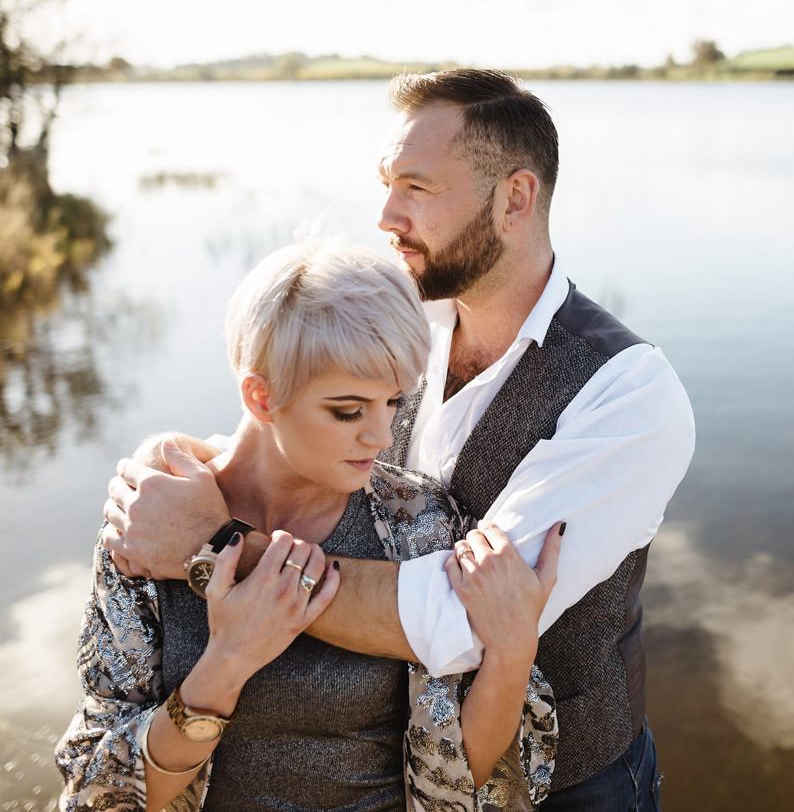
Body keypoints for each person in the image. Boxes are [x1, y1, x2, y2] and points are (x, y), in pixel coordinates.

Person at [104, 69, 695, 811]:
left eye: (416, 187)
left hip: (577, 785)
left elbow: (460, 622)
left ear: (515, 198)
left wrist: (211, 538)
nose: (385, 215)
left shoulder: (629, 393)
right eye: (386, 184)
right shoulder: (407, 326)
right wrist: (175, 462)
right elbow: (295, 422)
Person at [57, 238, 561, 811]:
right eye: (348, 410)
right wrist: (226, 665)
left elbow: (465, 781)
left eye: (393, 403)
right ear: (261, 395)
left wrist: (513, 652)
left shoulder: (416, 523)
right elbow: (98, 795)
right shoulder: (148, 528)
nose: (380, 436)